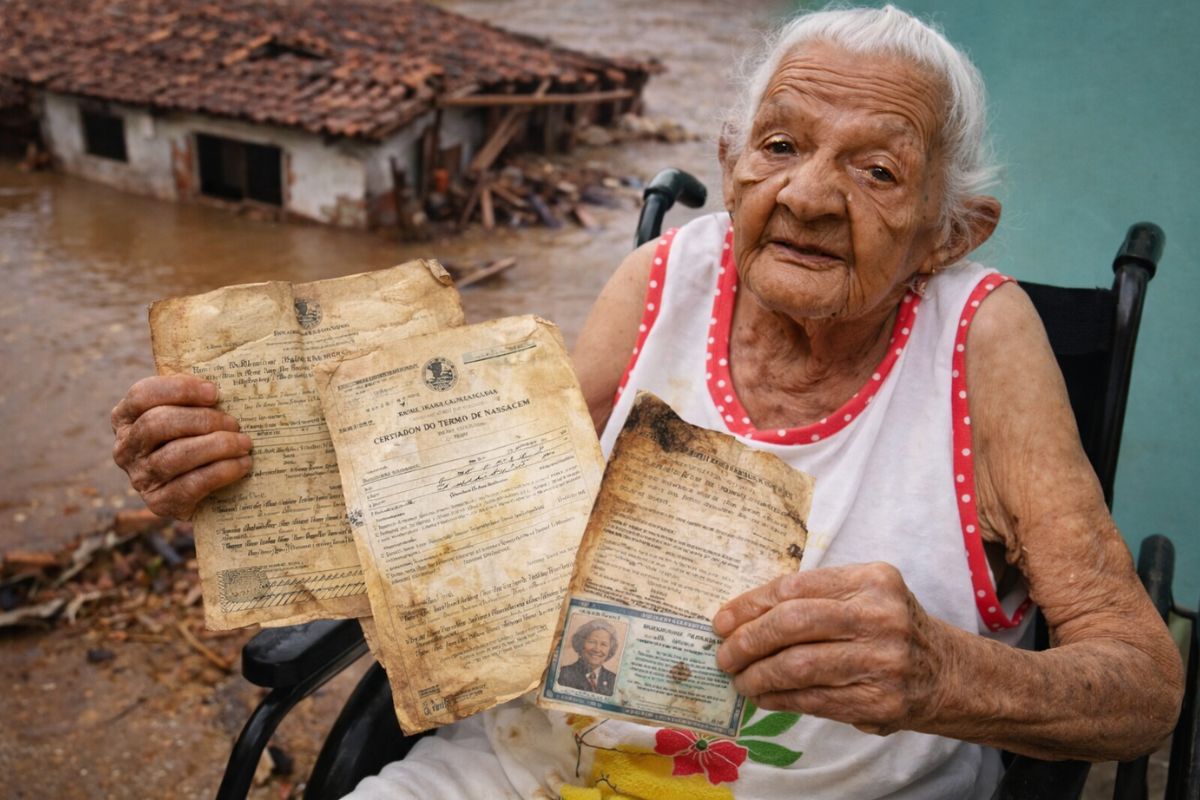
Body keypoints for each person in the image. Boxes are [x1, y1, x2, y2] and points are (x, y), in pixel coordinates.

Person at [111, 6, 1182, 798]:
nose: (808, 194)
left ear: (950, 232)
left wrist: (947, 673)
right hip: (534, 764)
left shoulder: (983, 338)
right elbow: (469, 522)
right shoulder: (667, 276)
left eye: (878, 172)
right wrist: (246, 473)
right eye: (781, 145)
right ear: (729, 160)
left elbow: (1142, 683)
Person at [556, 619, 619, 697]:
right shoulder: (562, 674)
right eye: (592, 642)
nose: (597, 649)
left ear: (610, 649)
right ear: (581, 643)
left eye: (604, 644)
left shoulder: (614, 680)